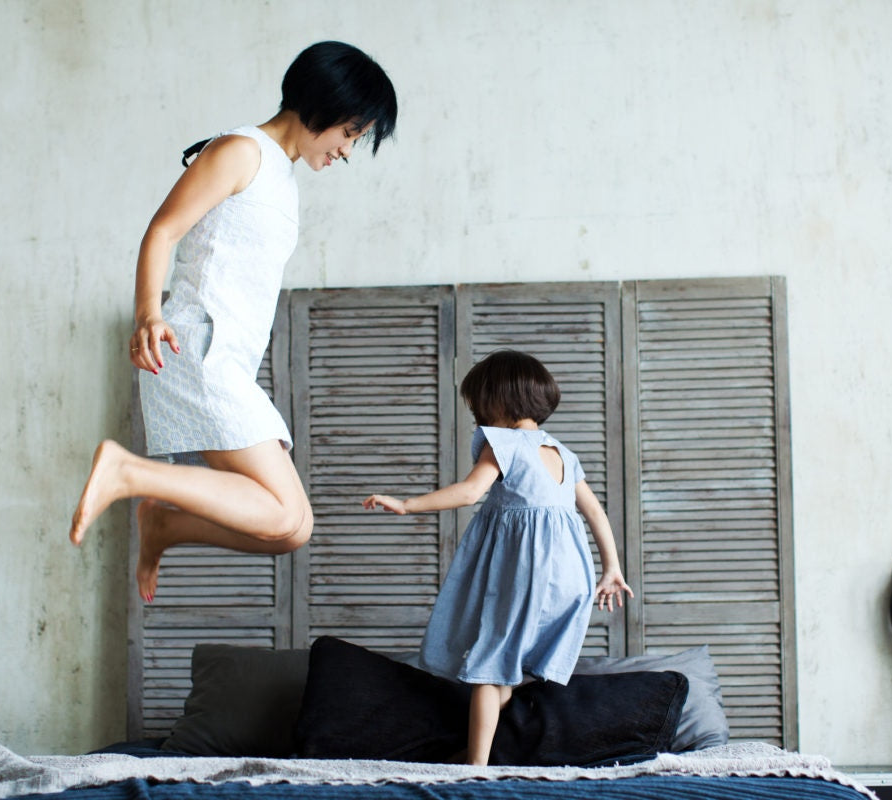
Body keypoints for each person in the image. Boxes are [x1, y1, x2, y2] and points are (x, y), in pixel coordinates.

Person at [70, 41, 398, 603]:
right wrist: (148, 313)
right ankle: (128, 473)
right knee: (286, 513)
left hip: (227, 361)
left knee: (292, 529)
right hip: (195, 347)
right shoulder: (241, 151)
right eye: (349, 133)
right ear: (322, 104)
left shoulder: (283, 180)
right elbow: (162, 231)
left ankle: (164, 524)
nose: (347, 151)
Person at [362, 349, 633, 766]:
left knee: (490, 664)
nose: (477, 417)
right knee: (507, 666)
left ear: (499, 401)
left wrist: (407, 504)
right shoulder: (562, 452)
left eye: (478, 406)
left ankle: (475, 768)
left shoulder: (503, 443)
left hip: (529, 573)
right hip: (569, 577)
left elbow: (471, 492)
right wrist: (612, 568)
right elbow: (595, 512)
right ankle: (479, 751)